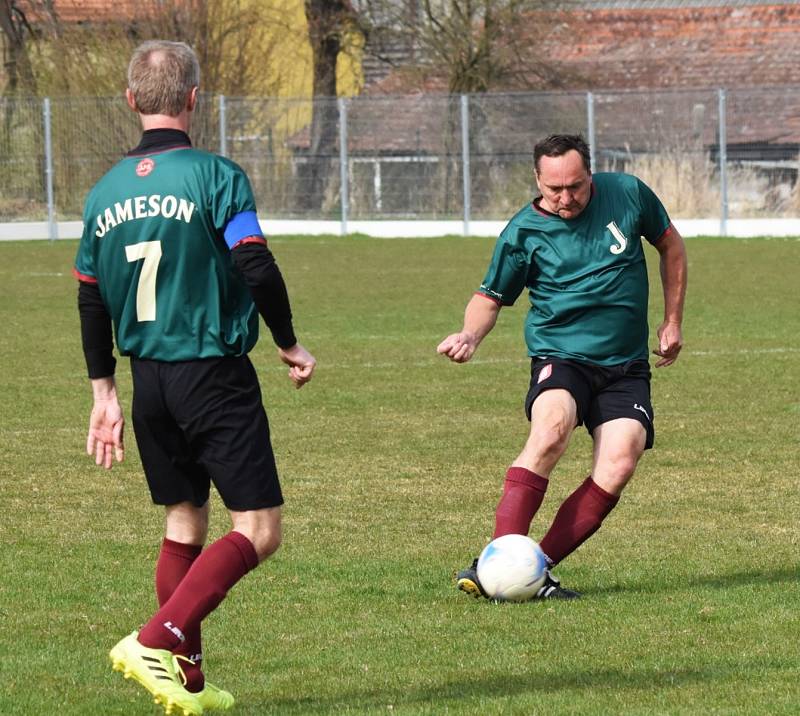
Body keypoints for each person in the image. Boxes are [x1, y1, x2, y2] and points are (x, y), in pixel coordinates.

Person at [73, 40, 316, 715]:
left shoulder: (103, 193)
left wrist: (103, 394)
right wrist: (290, 344)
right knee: (260, 529)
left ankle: (188, 686)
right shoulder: (216, 176)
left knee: (186, 521)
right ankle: (157, 638)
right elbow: (256, 265)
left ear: (130, 101)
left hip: (147, 380)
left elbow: (91, 299)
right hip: (211, 373)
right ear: (193, 99)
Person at [437, 134, 687, 600]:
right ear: (538, 180)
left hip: (626, 365)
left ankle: (533, 570)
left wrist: (672, 321)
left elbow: (671, 246)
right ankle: (499, 560)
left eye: (575, 186)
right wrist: (469, 334)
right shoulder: (523, 233)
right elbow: (489, 297)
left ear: (590, 174)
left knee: (620, 459)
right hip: (561, 356)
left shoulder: (629, 194)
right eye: (555, 189)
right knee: (551, 429)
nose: (566, 198)